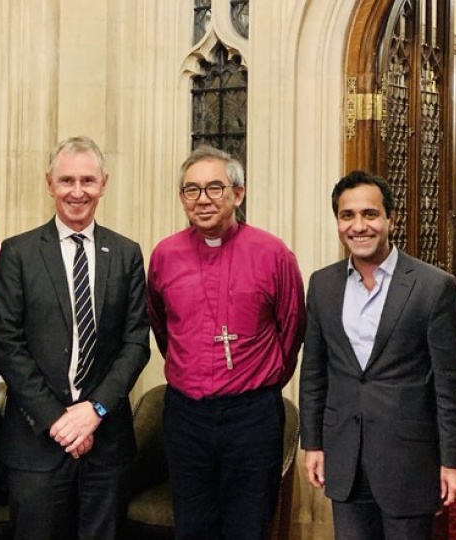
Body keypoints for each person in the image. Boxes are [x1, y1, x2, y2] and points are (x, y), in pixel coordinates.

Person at [0, 136, 150, 540]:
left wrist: (94, 411)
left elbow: (135, 343)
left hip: (106, 444)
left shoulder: (127, 254)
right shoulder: (18, 253)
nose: (77, 192)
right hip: (35, 444)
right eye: (66, 180)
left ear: (103, 183)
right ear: (49, 184)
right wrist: (58, 420)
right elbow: (6, 342)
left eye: (87, 181)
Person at [300, 171, 456, 540]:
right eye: (347, 215)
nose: (359, 226)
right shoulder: (322, 284)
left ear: (390, 219)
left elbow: (450, 386)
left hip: (410, 460)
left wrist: (454, 460)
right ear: (338, 222)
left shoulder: (433, 287)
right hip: (345, 458)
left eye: (370, 214)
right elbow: (314, 372)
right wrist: (312, 443)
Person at [146, 144, 306, 540]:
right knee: (192, 527)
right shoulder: (165, 255)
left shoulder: (273, 254)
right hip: (186, 415)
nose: (203, 199)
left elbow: (291, 330)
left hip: (252, 416)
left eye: (214, 188)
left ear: (238, 192)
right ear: (182, 197)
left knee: (248, 527)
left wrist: (259, 380)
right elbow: (163, 329)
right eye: (192, 189)